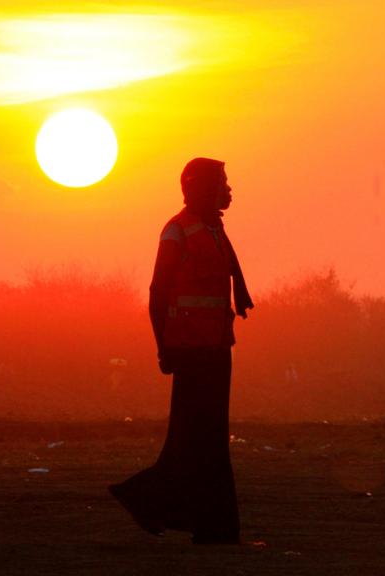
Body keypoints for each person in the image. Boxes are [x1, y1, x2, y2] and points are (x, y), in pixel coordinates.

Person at [109, 157, 253, 545]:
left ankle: (209, 526)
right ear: (201, 187)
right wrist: (163, 348)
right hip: (190, 351)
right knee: (197, 439)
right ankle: (198, 521)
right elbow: (157, 293)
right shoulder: (177, 232)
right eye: (222, 182)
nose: (228, 189)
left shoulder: (214, 230)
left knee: (203, 440)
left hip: (216, 348)